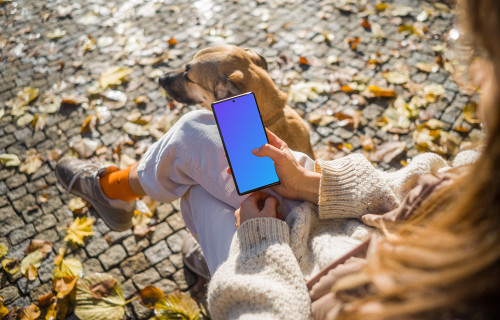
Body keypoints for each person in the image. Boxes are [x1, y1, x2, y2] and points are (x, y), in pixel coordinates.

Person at [55, 1, 499, 319]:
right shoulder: (486, 175)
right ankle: (119, 190)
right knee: (198, 139)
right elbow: (423, 179)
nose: (475, 74)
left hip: (293, 270)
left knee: (193, 169)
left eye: (484, 58)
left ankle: (116, 190)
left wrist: (258, 240)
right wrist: (316, 183)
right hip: (337, 218)